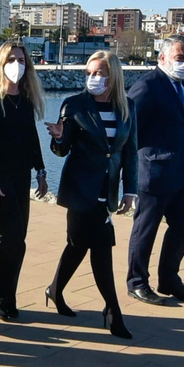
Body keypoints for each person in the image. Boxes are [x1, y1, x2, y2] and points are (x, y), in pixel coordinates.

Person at [45, 50, 135, 339]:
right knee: (100, 248)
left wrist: (130, 191)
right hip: (80, 189)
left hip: (107, 189)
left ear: (114, 76)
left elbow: (129, 153)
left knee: (78, 245)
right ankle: (113, 311)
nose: (93, 78)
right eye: (89, 73)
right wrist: (59, 136)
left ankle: (55, 290)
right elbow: (62, 151)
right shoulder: (74, 105)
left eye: (99, 73)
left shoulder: (128, 107)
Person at [0, 42, 49, 320]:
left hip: (20, 177)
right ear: (0, 64)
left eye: (22, 60)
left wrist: (41, 172)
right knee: (12, 236)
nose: (17, 65)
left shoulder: (25, 102)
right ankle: (0, 297)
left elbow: (32, 140)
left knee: (16, 238)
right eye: (11, 59)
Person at [125, 35, 184, 305]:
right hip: (154, 173)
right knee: (146, 229)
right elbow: (128, 128)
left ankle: (169, 279)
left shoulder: (181, 87)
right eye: (180, 58)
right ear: (163, 58)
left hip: (182, 173)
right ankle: (137, 282)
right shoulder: (147, 86)